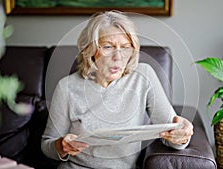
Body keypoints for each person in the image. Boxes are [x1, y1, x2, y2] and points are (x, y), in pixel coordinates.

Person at [41, 10, 193, 169]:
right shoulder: (67, 87)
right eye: (108, 47)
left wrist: (182, 135)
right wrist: (61, 146)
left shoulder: (143, 76)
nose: (118, 57)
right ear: (90, 50)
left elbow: (171, 134)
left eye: (126, 47)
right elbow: (47, 145)